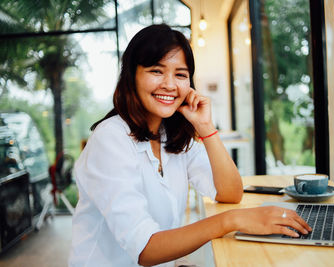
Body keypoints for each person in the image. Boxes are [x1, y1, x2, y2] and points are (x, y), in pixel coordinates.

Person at [69, 24, 311, 267]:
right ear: (132, 76)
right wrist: (232, 220)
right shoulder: (110, 139)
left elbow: (230, 192)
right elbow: (145, 249)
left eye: (181, 74)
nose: (170, 84)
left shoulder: (170, 135)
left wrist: (206, 128)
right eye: (156, 71)